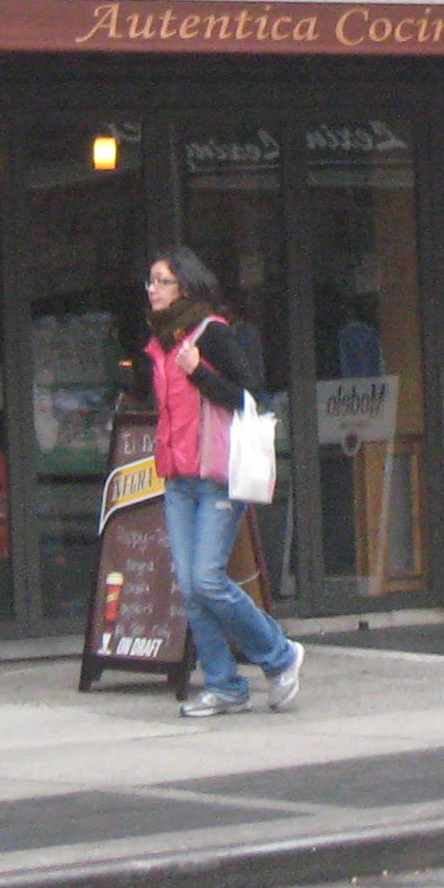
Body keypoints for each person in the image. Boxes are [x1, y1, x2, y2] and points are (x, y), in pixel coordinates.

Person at [142, 252, 302, 718]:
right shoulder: (162, 339)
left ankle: (279, 654)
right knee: (192, 589)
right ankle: (225, 686)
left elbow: (252, 395)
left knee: (208, 581)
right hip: (178, 479)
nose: (152, 289)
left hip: (216, 475)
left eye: (162, 281)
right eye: (150, 281)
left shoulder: (212, 334)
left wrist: (199, 372)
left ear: (185, 287)